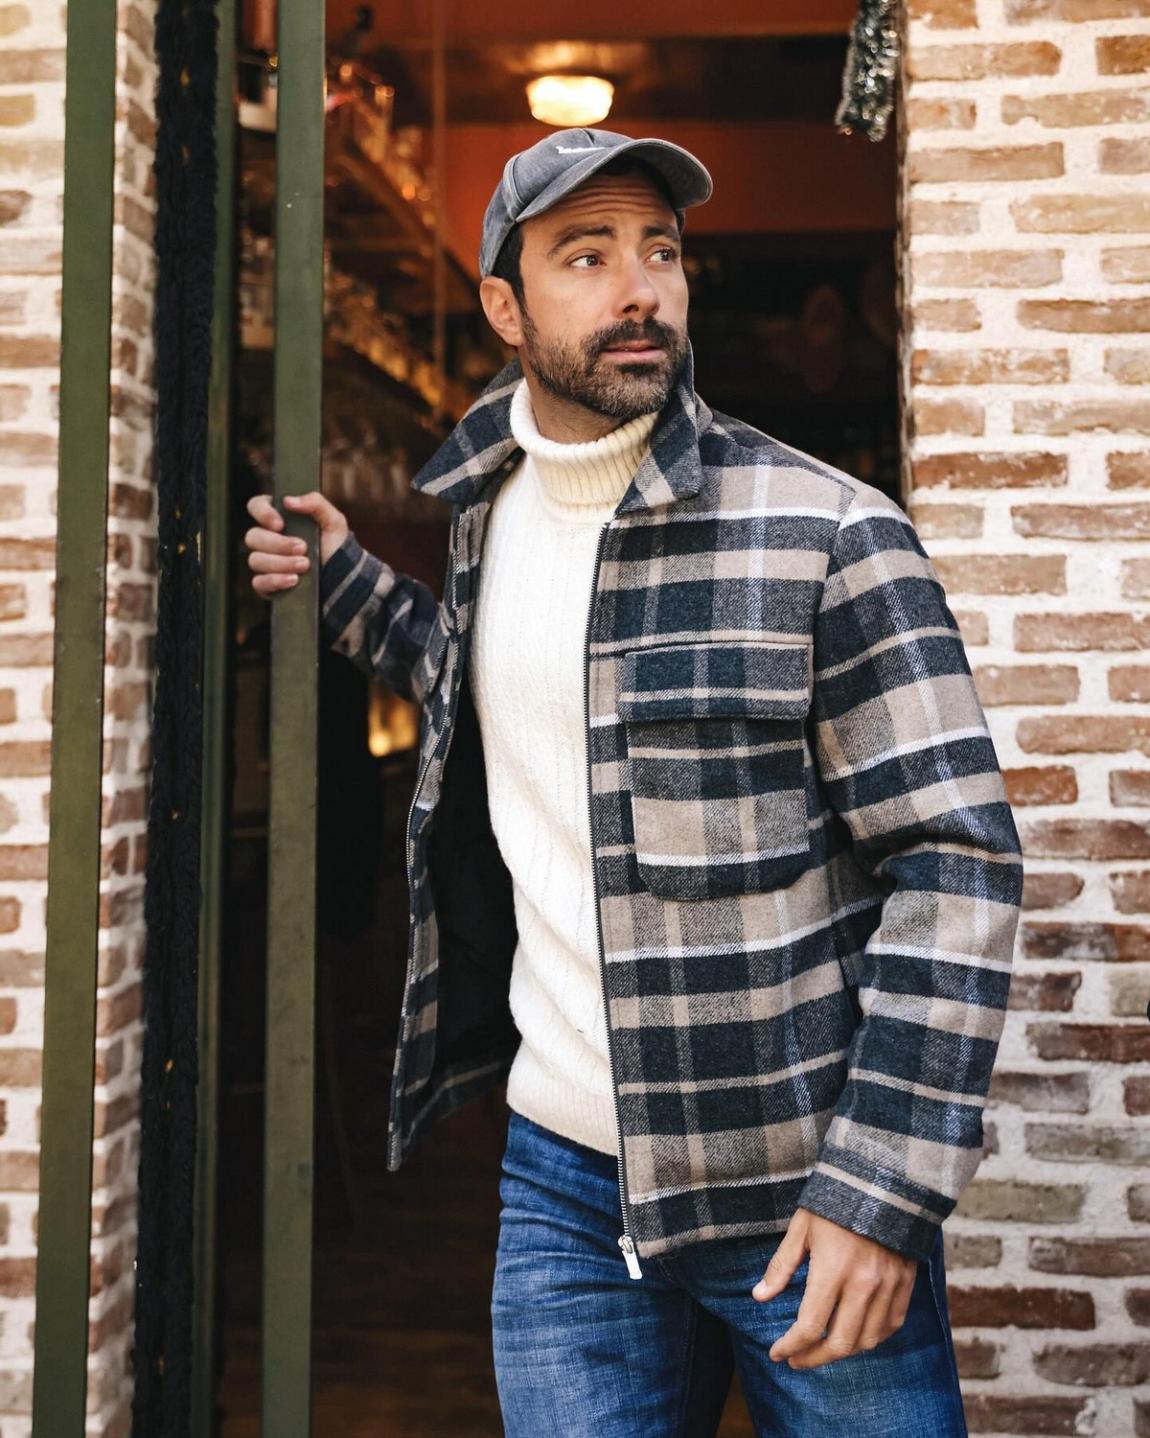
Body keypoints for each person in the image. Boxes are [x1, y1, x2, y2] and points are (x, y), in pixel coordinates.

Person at [245, 127, 1023, 1437]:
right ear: (504, 307)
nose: (639, 289)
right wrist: (345, 583)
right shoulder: (487, 512)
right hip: (561, 1186)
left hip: (798, 1190)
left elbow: (956, 861)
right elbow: (501, 685)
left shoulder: (828, 533)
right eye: (587, 255)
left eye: (660, 250)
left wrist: (881, 1190)